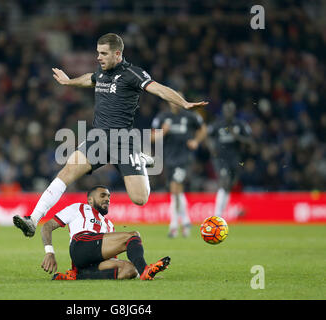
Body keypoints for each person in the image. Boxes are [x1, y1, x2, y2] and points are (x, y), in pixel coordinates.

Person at [13, 33, 207, 237]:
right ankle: (33, 219)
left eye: (103, 53)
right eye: (98, 53)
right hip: (98, 139)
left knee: (140, 199)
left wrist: (183, 103)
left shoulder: (133, 74)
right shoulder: (102, 71)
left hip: (124, 142)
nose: (98, 57)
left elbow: (158, 89)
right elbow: (91, 79)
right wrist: (69, 82)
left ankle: (139, 159)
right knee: (67, 171)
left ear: (117, 53)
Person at [40, 185, 170, 280]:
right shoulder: (78, 208)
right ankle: (145, 270)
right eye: (102, 196)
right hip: (81, 244)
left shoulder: (109, 225)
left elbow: (109, 254)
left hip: (91, 261)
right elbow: (47, 226)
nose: (107, 199)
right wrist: (49, 252)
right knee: (133, 235)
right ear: (90, 200)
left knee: (130, 270)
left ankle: (77, 277)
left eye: (109, 196)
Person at [151, 98, 207, 237]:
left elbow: (203, 129)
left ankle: (174, 224)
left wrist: (196, 141)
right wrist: (162, 133)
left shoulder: (190, 116)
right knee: (177, 190)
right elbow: (151, 137)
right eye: (173, 100)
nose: (175, 103)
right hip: (169, 159)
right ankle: (186, 221)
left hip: (184, 159)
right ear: (169, 101)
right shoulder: (162, 117)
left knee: (175, 187)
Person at [207, 101, 253, 217]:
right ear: (223, 111)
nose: (228, 113)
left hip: (236, 160)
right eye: (226, 110)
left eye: (230, 110)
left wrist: (237, 137)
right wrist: (212, 148)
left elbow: (250, 142)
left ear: (234, 111)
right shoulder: (218, 124)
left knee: (229, 185)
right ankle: (217, 216)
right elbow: (207, 136)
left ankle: (221, 215)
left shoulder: (240, 124)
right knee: (224, 181)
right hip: (220, 159)